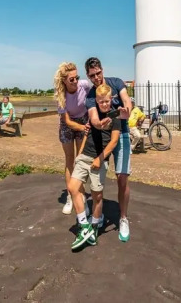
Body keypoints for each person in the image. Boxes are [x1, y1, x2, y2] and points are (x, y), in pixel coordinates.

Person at [67, 83, 121, 251]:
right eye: (101, 101)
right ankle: (84, 226)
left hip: (99, 159)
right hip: (85, 156)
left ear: (111, 99)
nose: (104, 104)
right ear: (96, 100)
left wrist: (100, 159)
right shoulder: (93, 114)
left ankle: (95, 226)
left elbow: (113, 141)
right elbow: (87, 133)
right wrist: (79, 154)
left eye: (107, 101)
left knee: (97, 195)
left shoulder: (115, 117)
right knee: (72, 187)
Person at [84, 57, 133, 242]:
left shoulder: (116, 83)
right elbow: (93, 117)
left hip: (122, 133)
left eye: (98, 73)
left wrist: (127, 110)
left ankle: (123, 218)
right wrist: (98, 123)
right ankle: (98, 214)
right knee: (95, 178)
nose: (96, 78)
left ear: (102, 70)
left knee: (122, 177)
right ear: (88, 76)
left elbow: (127, 101)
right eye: (92, 76)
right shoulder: (90, 95)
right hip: (102, 137)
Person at [53, 62, 93, 214]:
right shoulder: (61, 96)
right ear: (64, 80)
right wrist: (83, 128)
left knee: (80, 161)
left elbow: (93, 100)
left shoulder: (84, 85)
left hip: (83, 119)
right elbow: (68, 121)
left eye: (77, 77)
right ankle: (71, 196)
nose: (75, 81)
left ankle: (81, 196)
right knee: (69, 159)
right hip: (67, 124)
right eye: (71, 79)